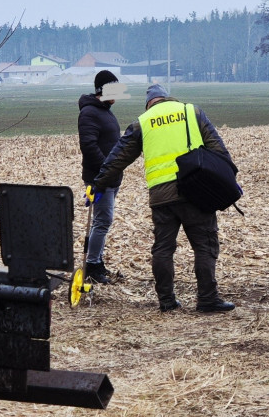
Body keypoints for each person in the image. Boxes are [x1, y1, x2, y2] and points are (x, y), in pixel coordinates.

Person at [91, 84, 236, 313]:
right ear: (168, 98)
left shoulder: (143, 121)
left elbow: (117, 158)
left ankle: (167, 301)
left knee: (163, 249)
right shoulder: (192, 112)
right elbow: (218, 150)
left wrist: (99, 184)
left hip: (161, 196)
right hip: (196, 192)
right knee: (204, 246)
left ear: (149, 103)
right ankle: (207, 299)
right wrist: (227, 180)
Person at [77, 70, 123, 284]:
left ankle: (96, 261)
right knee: (102, 220)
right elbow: (88, 145)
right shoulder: (90, 112)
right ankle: (93, 265)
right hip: (100, 178)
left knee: (102, 220)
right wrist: (106, 169)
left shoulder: (105, 110)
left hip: (110, 177)